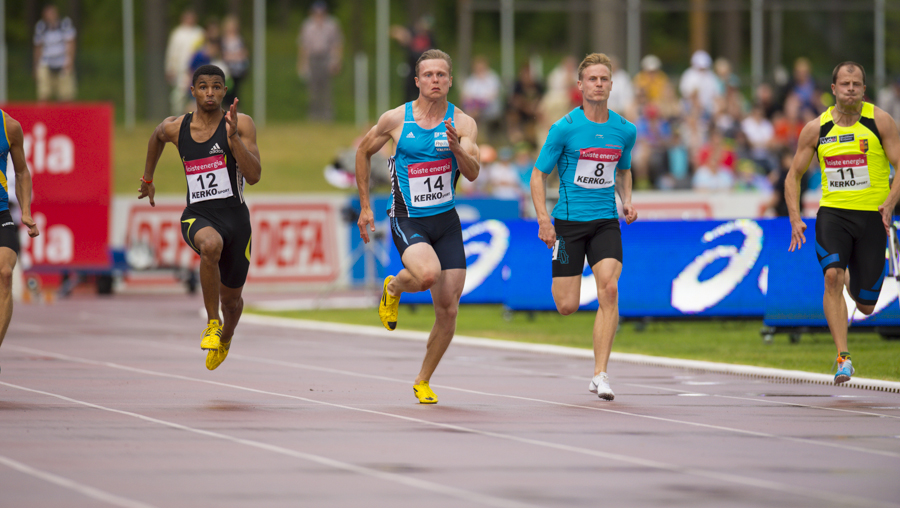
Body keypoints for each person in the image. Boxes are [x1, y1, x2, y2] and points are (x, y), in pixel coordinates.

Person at [355, 49, 480, 404]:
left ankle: (423, 380)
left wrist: (458, 149)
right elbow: (362, 152)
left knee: (449, 309)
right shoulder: (396, 120)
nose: (435, 80)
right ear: (417, 81)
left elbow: (472, 173)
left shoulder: (464, 124)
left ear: (451, 80)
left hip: (447, 221)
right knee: (427, 275)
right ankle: (393, 288)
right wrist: (366, 206)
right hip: (407, 217)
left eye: (442, 75)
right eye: (428, 75)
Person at [138, 64, 261, 371]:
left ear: (225, 91)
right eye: (203, 86)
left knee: (232, 301)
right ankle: (212, 323)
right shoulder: (176, 127)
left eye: (217, 86)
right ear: (192, 91)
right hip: (197, 215)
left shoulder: (241, 124)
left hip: (237, 221)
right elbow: (156, 136)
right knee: (210, 246)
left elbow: (255, 176)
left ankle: (226, 335)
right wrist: (148, 178)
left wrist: (234, 141)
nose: (210, 92)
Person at [530, 53, 638, 401]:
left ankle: (600, 374)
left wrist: (627, 201)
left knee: (609, 289)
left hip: (605, 222)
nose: (598, 84)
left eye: (604, 79)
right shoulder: (564, 128)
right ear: (580, 85)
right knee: (566, 304)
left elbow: (623, 170)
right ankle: (597, 369)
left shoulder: (624, 130)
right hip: (568, 224)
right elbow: (538, 175)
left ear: (611, 84)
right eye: (592, 79)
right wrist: (544, 219)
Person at [785, 62, 900, 385]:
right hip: (833, 214)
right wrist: (795, 217)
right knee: (831, 277)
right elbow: (793, 175)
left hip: (872, 217)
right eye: (845, 83)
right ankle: (843, 357)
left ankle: (851, 274)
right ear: (833, 89)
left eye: (857, 84)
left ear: (864, 89)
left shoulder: (880, 122)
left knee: (865, 305)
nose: (851, 88)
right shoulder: (816, 129)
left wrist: (890, 203)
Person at [0, 111, 40, 371]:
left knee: (5, 273)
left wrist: (25, 210)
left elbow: (22, 172)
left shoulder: (10, 127)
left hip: (1, 211)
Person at [297, 1, 343, 121]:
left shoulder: (332, 24)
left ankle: (327, 116)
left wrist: (336, 61)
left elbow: (337, 44)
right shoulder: (307, 25)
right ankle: (314, 116)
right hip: (313, 59)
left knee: (327, 90)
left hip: (326, 58)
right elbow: (304, 47)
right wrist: (303, 64)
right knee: (313, 90)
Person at [33, 5, 77, 102]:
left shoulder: (65, 24)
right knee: (44, 93)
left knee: (66, 95)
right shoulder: (41, 27)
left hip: (63, 63)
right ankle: (42, 116)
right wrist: (36, 65)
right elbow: (38, 47)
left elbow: (71, 43)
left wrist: (70, 61)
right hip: (46, 63)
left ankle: (65, 116)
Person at [165, 9, 205, 116]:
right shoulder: (177, 33)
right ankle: (178, 117)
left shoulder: (199, 33)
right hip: (181, 71)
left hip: (196, 70)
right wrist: (170, 68)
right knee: (178, 96)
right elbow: (172, 52)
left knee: (198, 96)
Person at [222, 15, 249, 107]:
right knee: (227, 93)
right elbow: (223, 55)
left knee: (235, 93)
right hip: (227, 70)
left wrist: (234, 56)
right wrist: (235, 56)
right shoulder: (224, 40)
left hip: (237, 71)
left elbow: (244, 54)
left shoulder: (239, 39)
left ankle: (235, 112)